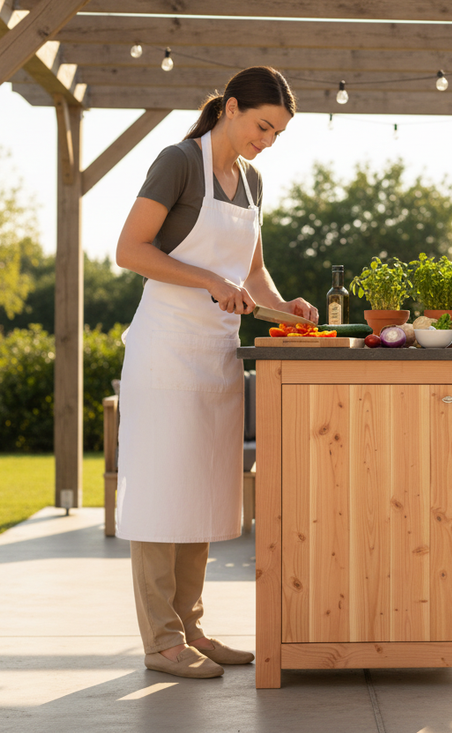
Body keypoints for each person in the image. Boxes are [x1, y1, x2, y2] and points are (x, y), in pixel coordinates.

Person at [114, 67, 314, 679]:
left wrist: (289, 308)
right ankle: (162, 642)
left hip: (216, 357)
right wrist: (207, 281)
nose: (267, 141)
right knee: (159, 496)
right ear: (230, 108)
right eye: (262, 126)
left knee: (198, 492)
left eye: (277, 133)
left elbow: (252, 276)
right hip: (165, 352)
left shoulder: (253, 181)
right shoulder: (177, 162)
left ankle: (191, 629)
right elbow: (130, 250)